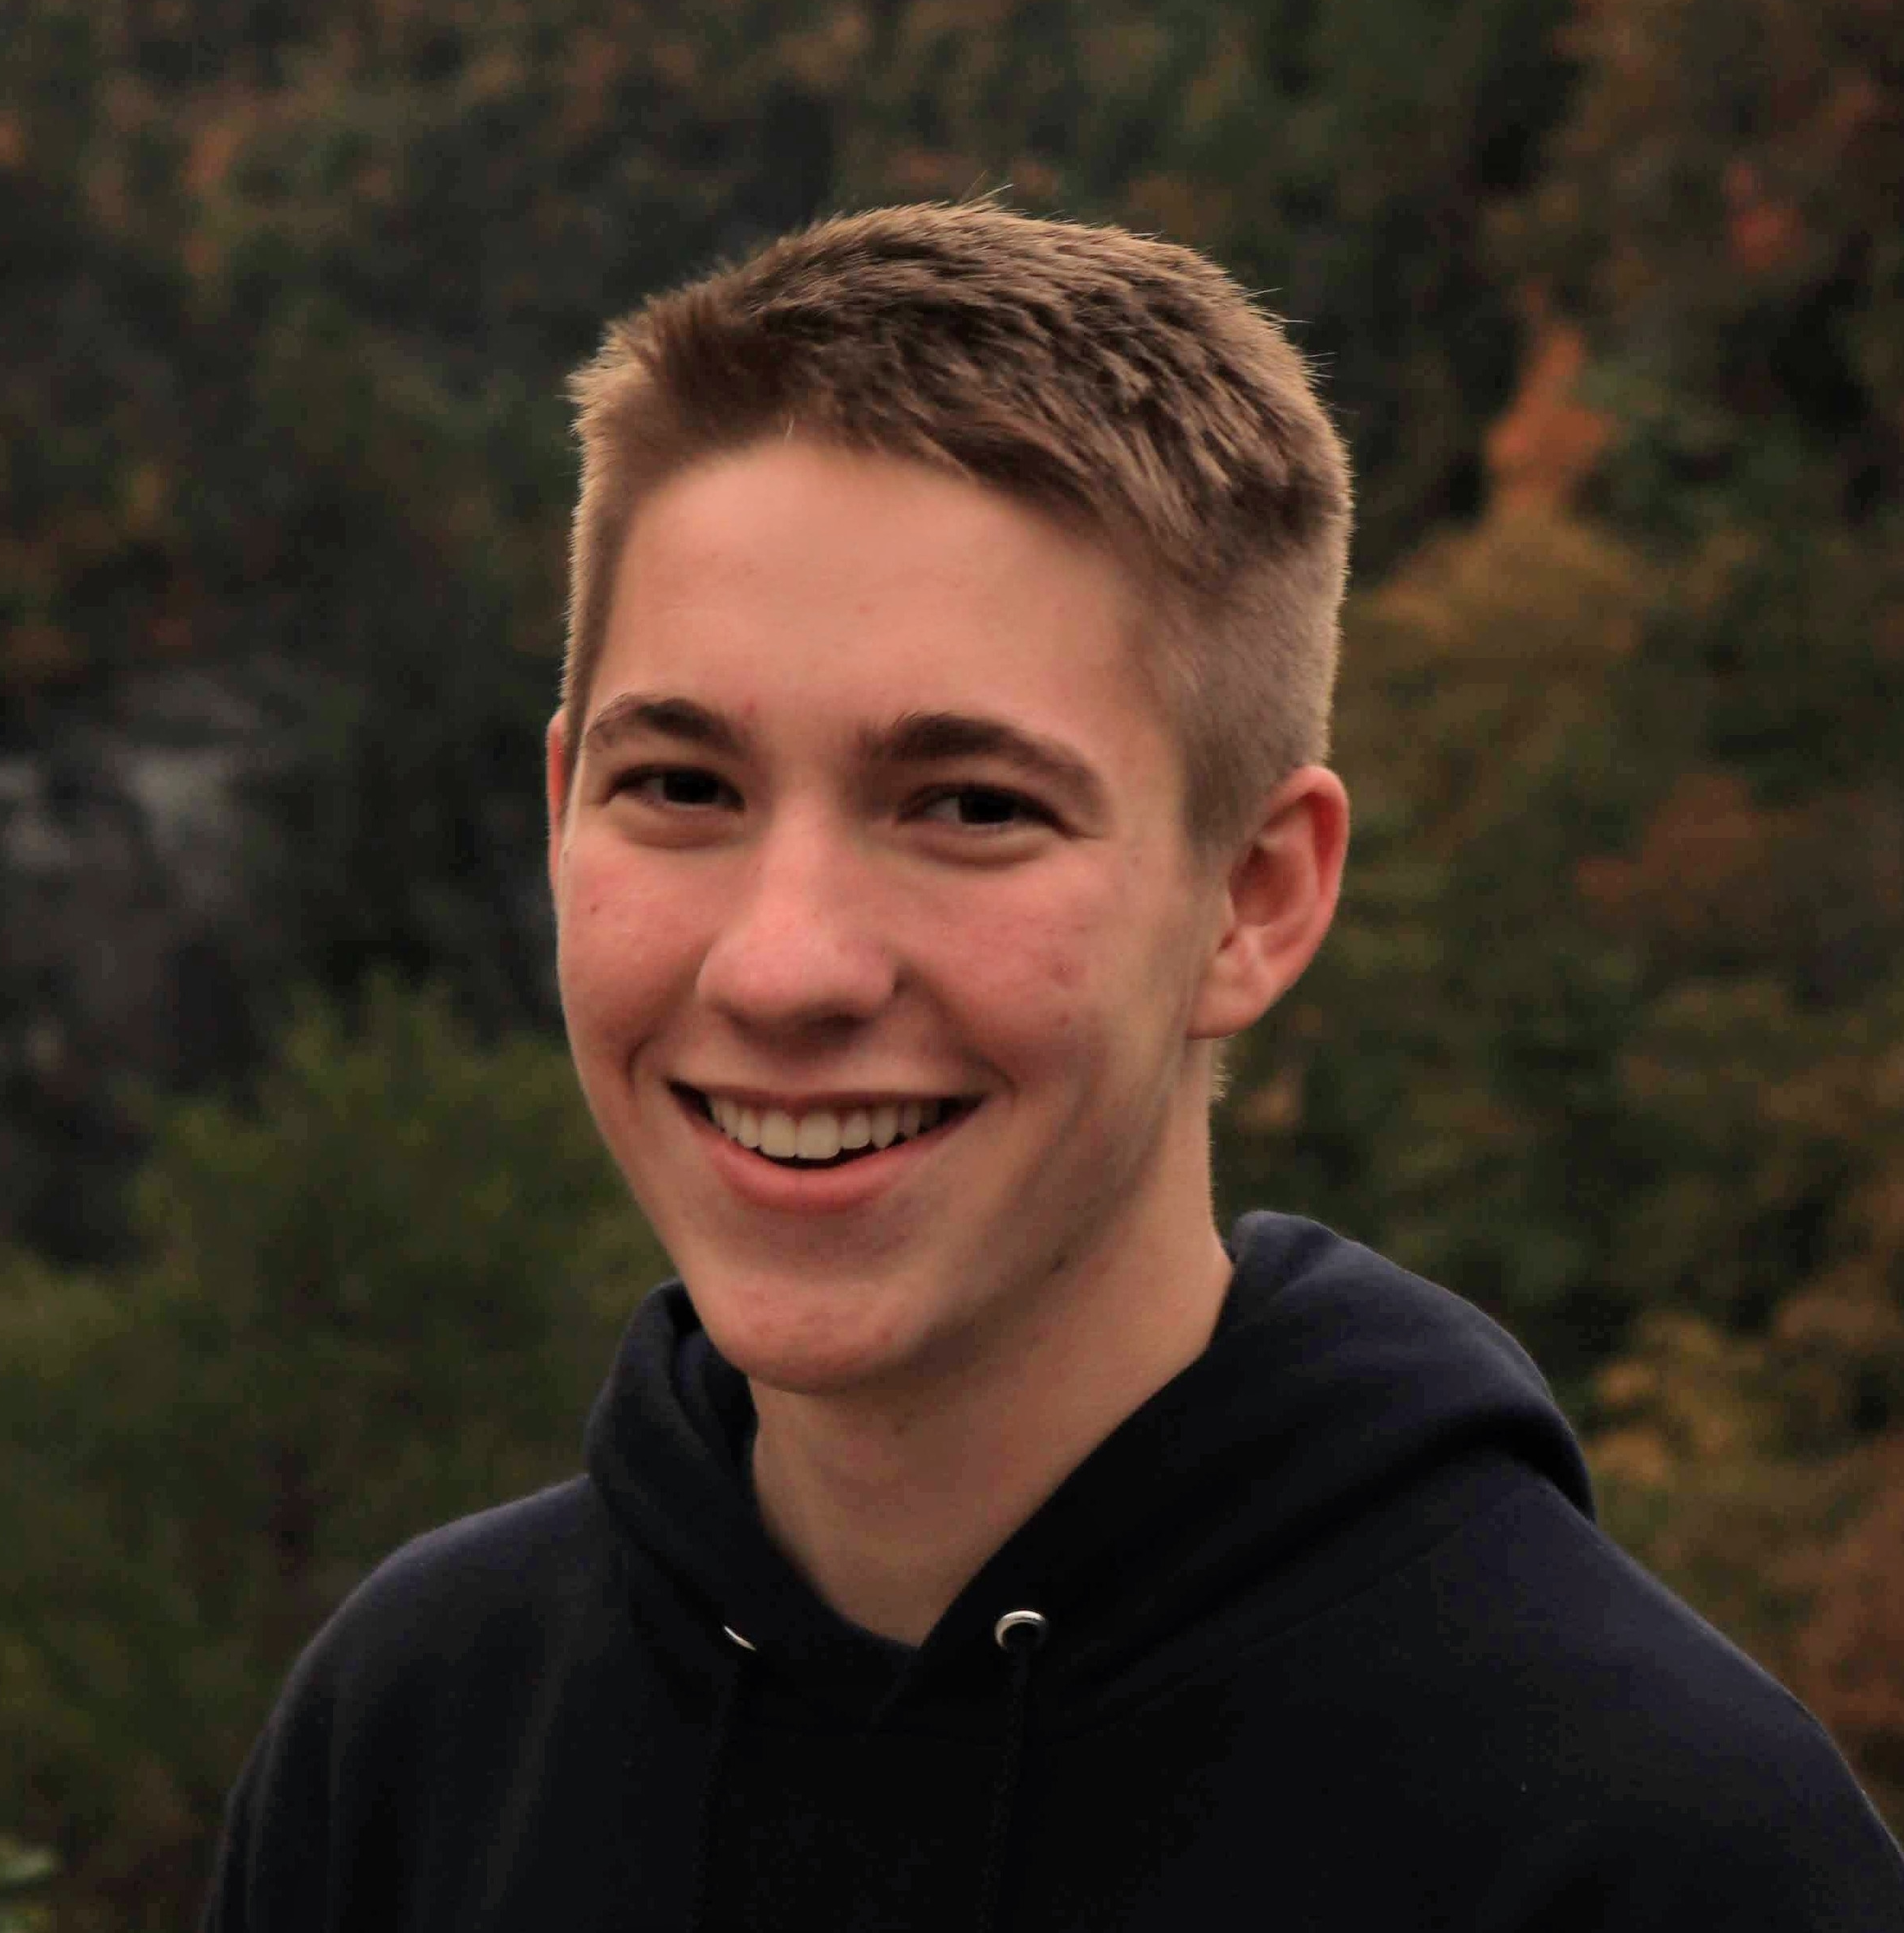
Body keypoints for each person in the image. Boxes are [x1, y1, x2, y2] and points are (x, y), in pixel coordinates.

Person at [201, 201, 1904, 1931]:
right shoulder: (411, 1744)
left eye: (969, 806)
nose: (784, 965)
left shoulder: (1654, 1852)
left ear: (1252, 898)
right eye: (683, 787)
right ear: (562, 807)